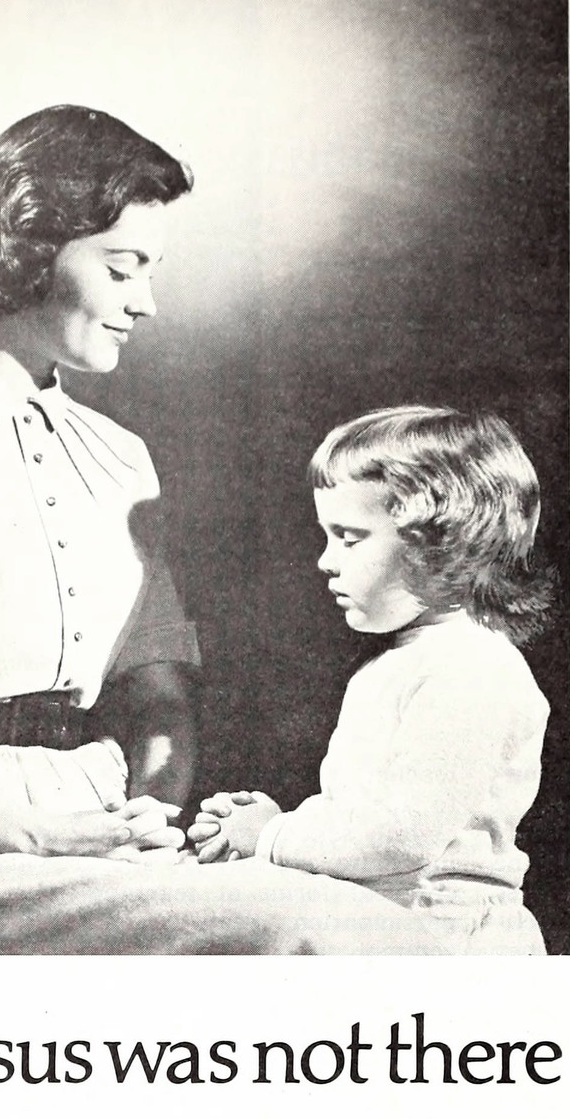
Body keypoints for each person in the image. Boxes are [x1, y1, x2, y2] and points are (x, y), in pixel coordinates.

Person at [0, 109, 451, 956]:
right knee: (306, 932)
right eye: (123, 269)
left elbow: (159, 695)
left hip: (106, 837)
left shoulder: (120, 458)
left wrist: (150, 818)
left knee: (391, 926)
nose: (147, 303)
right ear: (26, 246)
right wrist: (30, 834)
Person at [189, 406, 552, 956]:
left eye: (349, 538)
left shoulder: (472, 667)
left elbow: (404, 835)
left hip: (446, 937)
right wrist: (273, 824)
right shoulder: (401, 662)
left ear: (442, 542)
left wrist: (272, 835)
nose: (324, 561)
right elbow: (367, 815)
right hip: (386, 921)